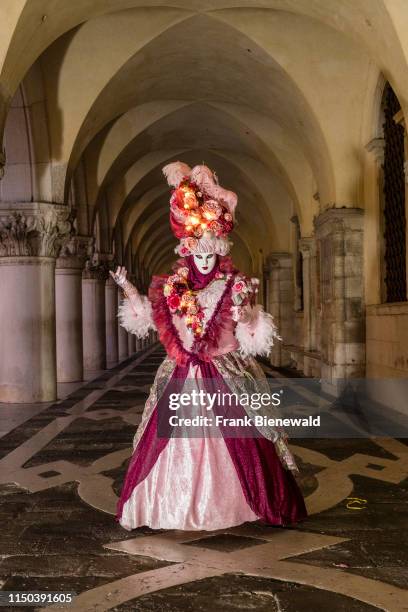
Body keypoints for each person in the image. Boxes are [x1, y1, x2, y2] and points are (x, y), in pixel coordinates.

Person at [110, 161, 307, 531]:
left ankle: (247, 502)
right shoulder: (175, 288)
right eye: (198, 254)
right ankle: (169, 505)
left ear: (219, 253)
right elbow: (149, 320)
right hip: (182, 373)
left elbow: (250, 332)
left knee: (243, 440)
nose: (203, 261)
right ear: (187, 253)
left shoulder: (233, 286)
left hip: (226, 373)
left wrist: (246, 310)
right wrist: (129, 289)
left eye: (210, 255)